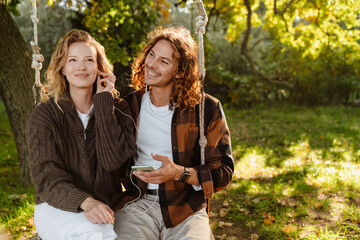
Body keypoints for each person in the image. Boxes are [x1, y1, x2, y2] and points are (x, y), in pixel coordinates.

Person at [114, 26, 234, 240]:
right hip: (138, 202)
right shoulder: (129, 106)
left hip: (186, 207)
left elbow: (224, 172)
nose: (151, 64)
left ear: (179, 72)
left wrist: (180, 173)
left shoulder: (205, 109)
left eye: (164, 61)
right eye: (151, 54)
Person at [26, 29, 135, 240]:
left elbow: (112, 162)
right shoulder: (45, 116)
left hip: (105, 205)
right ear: (62, 69)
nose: (81, 67)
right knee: (95, 234)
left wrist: (104, 103)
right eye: (72, 60)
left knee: (100, 231)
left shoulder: (118, 109)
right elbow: (47, 178)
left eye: (89, 60)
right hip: (55, 206)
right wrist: (86, 201)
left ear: (99, 68)